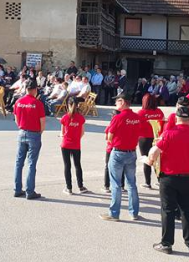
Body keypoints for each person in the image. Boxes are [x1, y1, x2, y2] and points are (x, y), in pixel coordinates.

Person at [148, 106, 189, 254]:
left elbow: (154, 152)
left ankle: (167, 243)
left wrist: (151, 161)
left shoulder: (168, 133)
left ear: (176, 119)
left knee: (168, 210)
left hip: (169, 178)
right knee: (188, 211)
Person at [100, 91, 150, 221]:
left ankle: (114, 213)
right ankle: (134, 212)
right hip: (131, 152)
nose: (115, 103)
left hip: (118, 152)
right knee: (131, 183)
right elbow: (141, 131)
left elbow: (109, 137)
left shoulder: (118, 117)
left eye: (117, 101)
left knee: (116, 184)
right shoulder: (137, 117)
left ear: (122, 102)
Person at [13, 80, 46, 200]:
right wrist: (39, 132)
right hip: (34, 134)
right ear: (35, 89)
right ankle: (29, 191)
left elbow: (16, 119)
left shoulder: (18, 102)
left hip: (21, 132)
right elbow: (43, 122)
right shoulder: (37, 103)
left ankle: (17, 189)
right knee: (31, 163)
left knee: (18, 162)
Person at [60, 98, 88, 195]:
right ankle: (80, 186)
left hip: (65, 144)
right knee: (77, 165)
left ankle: (69, 188)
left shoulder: (65, 117)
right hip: (76, 144)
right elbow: (82, 132)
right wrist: (76, 138)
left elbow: (62, 132)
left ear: (68, 105)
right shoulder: (80, 118)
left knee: (67, 165)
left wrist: (64, 136)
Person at [137, 94, 164, 189]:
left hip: (144, 138)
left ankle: (147, 182)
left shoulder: (141, 113)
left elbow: (137, 127)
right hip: (157, 138)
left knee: (146, 160)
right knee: (158, 160)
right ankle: (160, 180)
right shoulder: (159, 112)